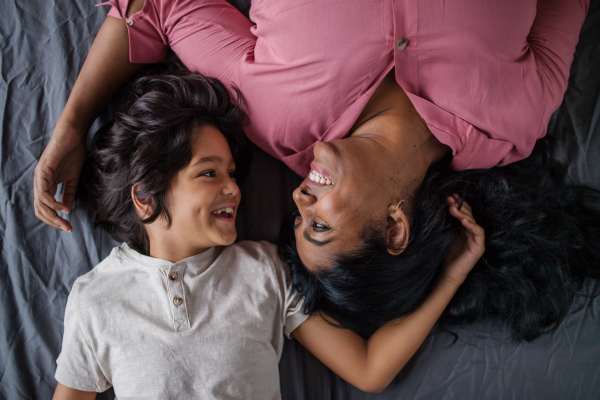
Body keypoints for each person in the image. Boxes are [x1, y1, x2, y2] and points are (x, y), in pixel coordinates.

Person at [34, 0, 598, 341]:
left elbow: (159, 6)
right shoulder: (513, 123)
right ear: (396, 227)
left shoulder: (275, 117)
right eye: (320, 225)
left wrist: (72, 124)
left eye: (296, 222)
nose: (299, 199)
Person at [52, 70, 484, 399]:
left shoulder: (265, 269)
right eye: (209, 173)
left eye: (233, 174)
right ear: (145, 199)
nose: (234, 189)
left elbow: (370, 369)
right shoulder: (95, 301)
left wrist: (450, 276)